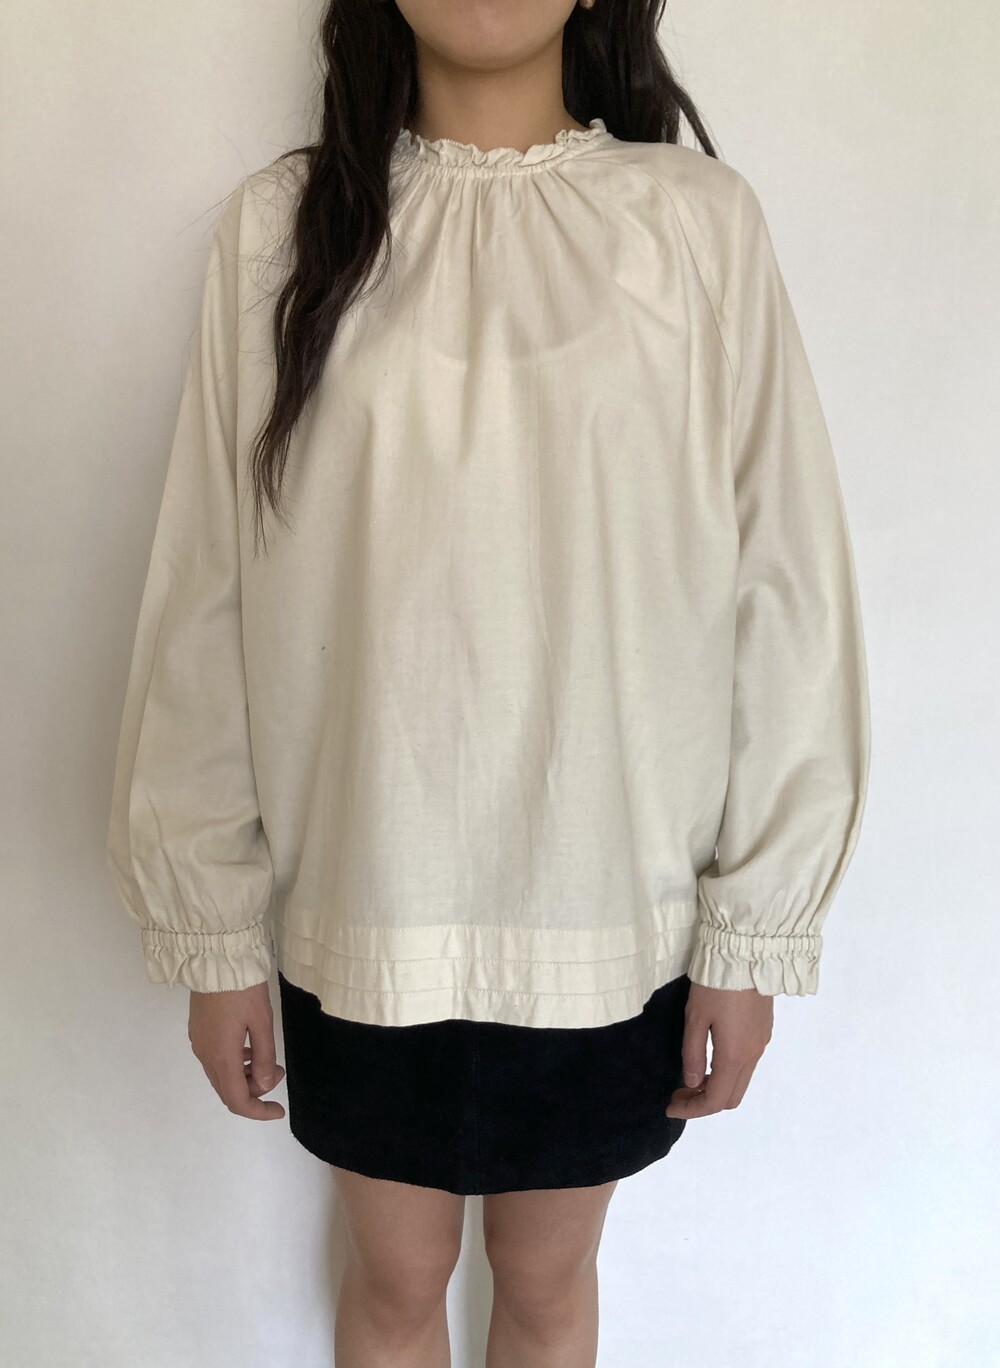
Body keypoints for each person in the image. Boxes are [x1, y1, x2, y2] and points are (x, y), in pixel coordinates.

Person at [105, 1, 871, 1363]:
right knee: (395, 1282)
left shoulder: (695, 226)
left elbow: (784, 581)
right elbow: (206, 590)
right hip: (366, 896)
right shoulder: (282, 231)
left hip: (608, 911)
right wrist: (210, 933)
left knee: (548, 1280)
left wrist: (753, 931)